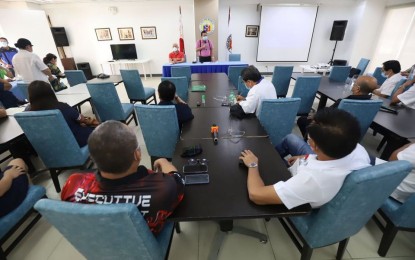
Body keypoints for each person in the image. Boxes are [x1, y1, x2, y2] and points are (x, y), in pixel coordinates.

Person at [61, 120, 185, 235]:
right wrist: (164, 162)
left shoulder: (74, 183)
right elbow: (178, 179)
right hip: (144, 244)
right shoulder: (163, 188)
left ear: (92, 158)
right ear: (137, 154)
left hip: (99, 242)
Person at [239, 108, 371, 209]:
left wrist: (252, 164)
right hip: (310, 167)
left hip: (300, 187)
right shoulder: (355, 147)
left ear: (314, 145)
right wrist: (307, 157)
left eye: (309, 139)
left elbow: (256, 195)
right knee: (290, 138)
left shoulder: (311, 180)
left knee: (255, 172)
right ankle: (274, 157)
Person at [297, 75, 378, 139]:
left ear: (357, 89)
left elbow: (325, 115)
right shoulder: (374, 104)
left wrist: (315, 116)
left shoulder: (343, 102)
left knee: (302, 120)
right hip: (352, 135)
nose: (353, 85)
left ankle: (312, 143)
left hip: (331, 134)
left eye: (355, 83)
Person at [27, 80, 96, 147]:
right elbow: (81, 119)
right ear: (50, 93)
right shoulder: (62, 107)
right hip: (75, 142)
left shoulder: (28, 114)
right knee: (100, 131)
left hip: (52, 146)